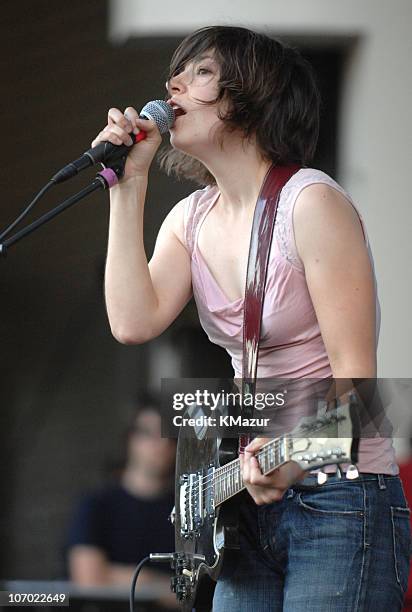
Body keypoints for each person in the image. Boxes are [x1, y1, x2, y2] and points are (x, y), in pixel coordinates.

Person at [92, 25, 411, 611]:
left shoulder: (311, 203)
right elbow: (131, 322)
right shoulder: (191, 218)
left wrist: (291, 459)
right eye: (175, 71)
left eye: (201, 71)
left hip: (339, 494)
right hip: (248, 502)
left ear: (251, 95)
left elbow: (360, 393)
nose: (174, 83)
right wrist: (127, 183)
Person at [66, 395, 177, 606]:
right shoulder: (97, 504)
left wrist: (114, 575)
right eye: (149, 433)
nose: (161, 444)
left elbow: (199, 587)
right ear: (130, 438)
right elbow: (88, 580)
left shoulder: (183, 510)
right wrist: (164, 585)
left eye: (169, 435)